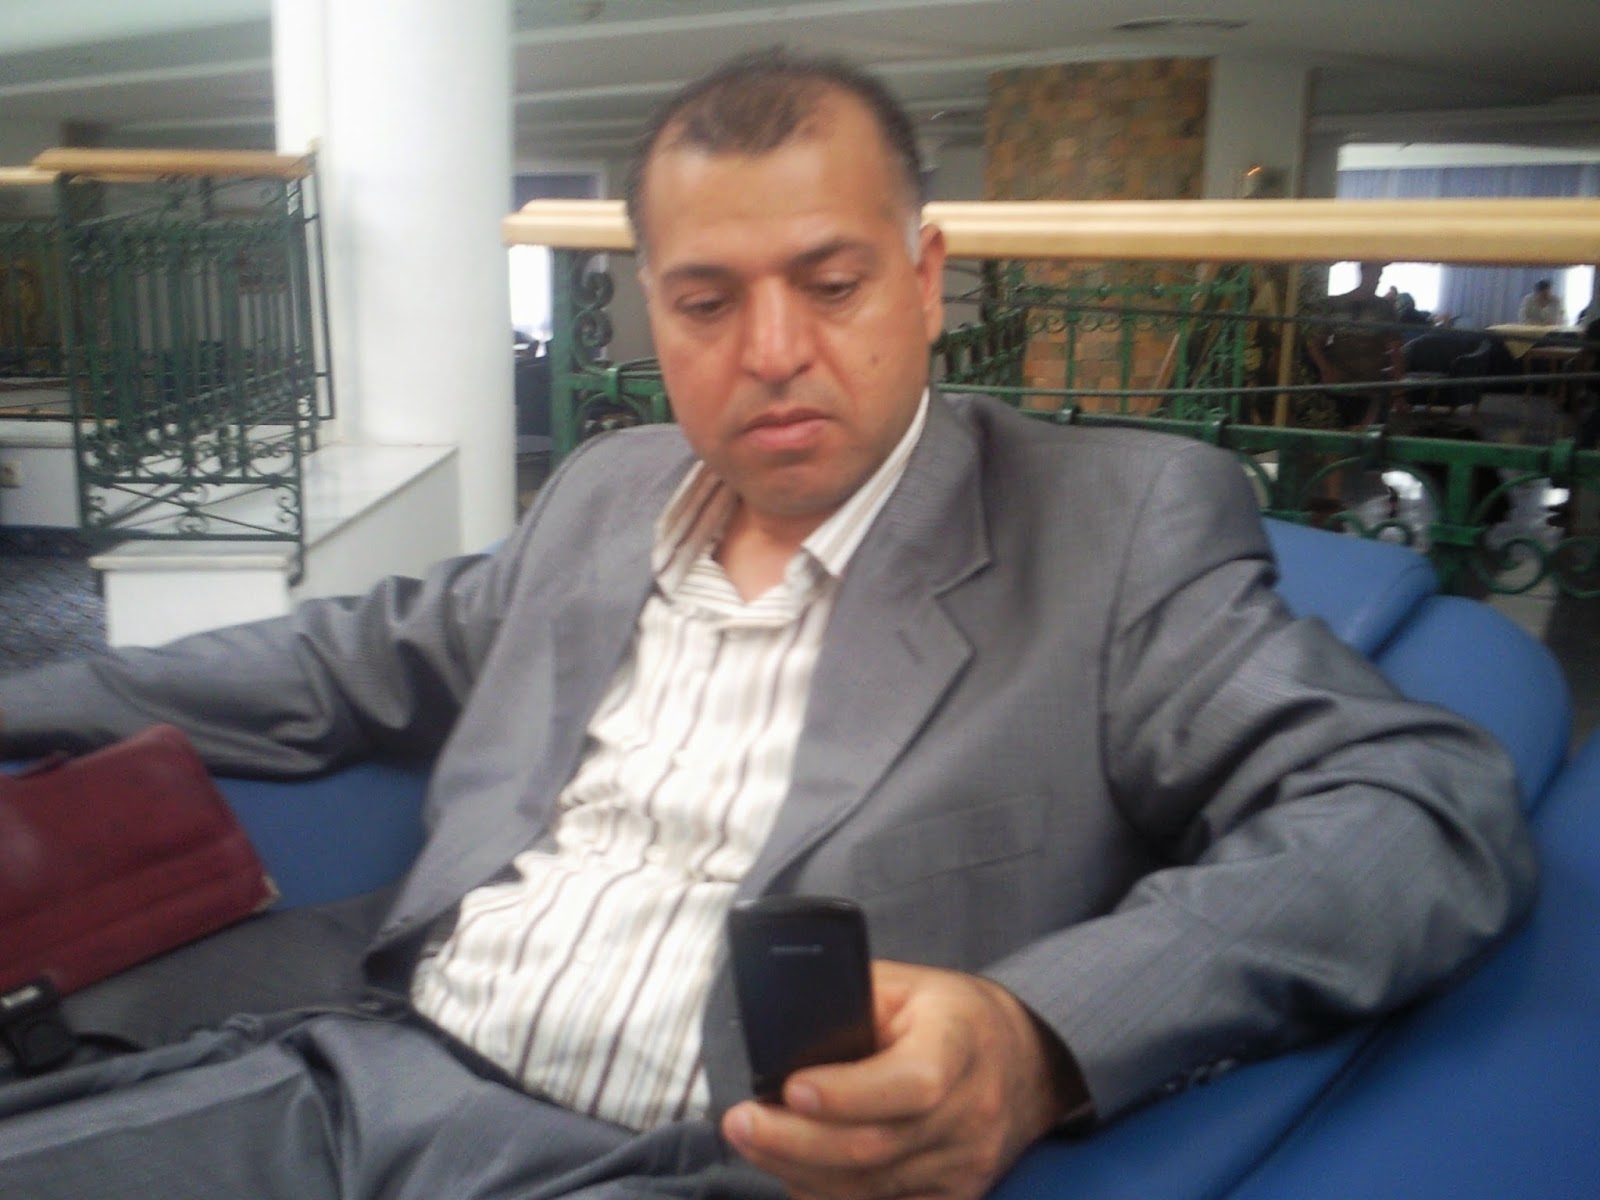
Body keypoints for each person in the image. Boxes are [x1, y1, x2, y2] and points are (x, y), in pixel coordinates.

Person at [0, 50, 1535, 1200]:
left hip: (695, 1158)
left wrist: (1033, 1037)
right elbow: (338, 659)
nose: (775, 350)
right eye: (708, 300)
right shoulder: (607, 491)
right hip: (359, 1066)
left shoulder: (1111, 528)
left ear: (924, 281)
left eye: (831, 281)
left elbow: (1413, 805)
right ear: (653, 312)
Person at [1303, 261, 1406, 426]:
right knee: (1338, 432)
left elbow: (1395, 352)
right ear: (1363, 271)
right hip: (1339, 386)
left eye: (1379, 273)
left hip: (1370, 388)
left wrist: (1398, 393)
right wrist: (1326, 369)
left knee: (1364, 434)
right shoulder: (1335, 304)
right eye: (1375, 272)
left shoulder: (1385, 308)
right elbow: (1315, 344)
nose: (1378, 278)